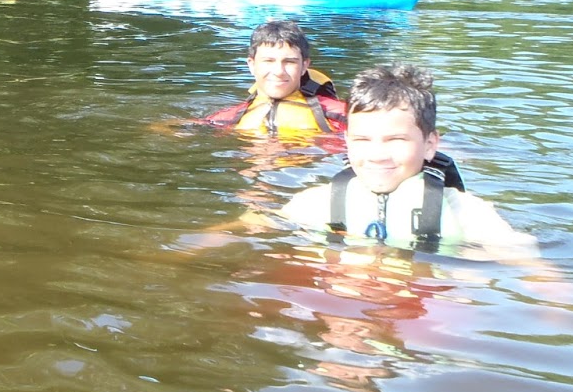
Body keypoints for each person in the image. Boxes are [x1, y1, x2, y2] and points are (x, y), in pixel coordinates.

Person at [277, 65, 537, 258]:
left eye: (396, 139)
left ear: (430, 144)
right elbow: (259, 226)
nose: (377, 155)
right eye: (363, 139)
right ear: (347, 140)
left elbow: (532, 268)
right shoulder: (314, 204)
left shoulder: (466, 214)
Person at [201, 19, 347, 138]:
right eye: (268, 61)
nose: (278, 71)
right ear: (252, 65)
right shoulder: (227, 118)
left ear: (304, 66)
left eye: (289, 62)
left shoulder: (339, 114)